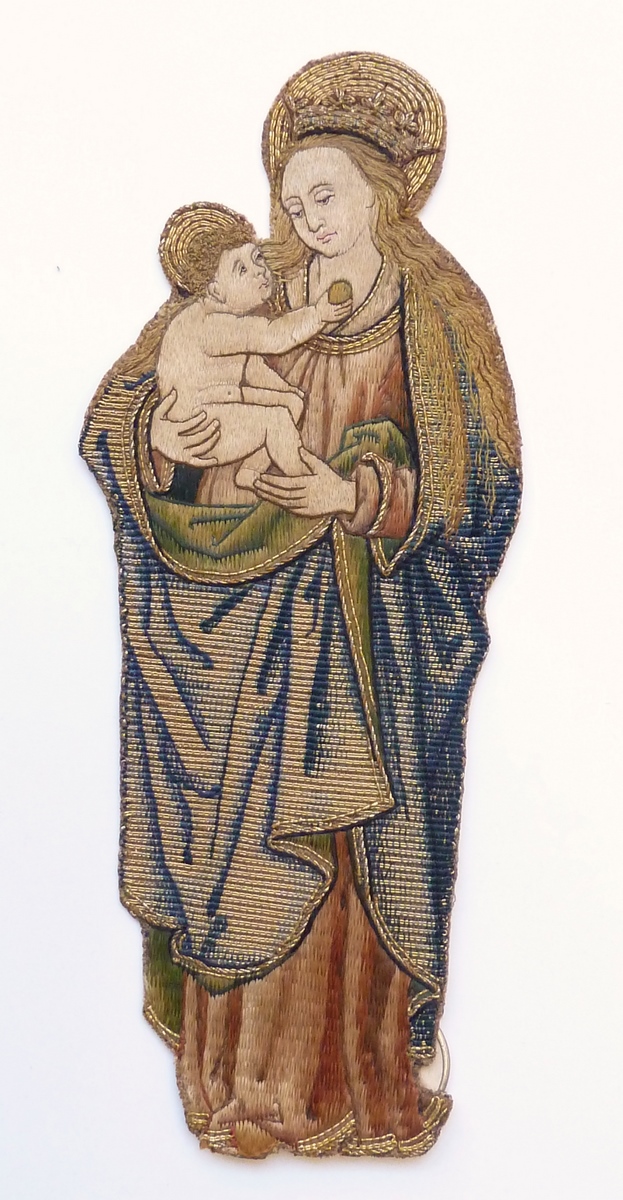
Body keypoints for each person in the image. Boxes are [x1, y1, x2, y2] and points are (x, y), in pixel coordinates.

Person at [80, 52, 521, 1160]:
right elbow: (118, 413)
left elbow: (484, 491)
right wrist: (163, 442)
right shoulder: (250, 289)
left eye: (323, 195)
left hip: (366, 650)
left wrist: (356, 495)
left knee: (346, 859)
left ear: (381, 194)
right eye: (290, 201)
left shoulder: (436, 315)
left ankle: (349, 1091)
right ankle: (244, 1094)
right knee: (252, 858)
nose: (303, 219)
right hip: (250, 648)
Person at [156, 203, 352, 489]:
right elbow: (274, 336)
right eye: (242, 270)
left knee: (292, 403)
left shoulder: (225, 319)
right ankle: (303, 480)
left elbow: (250, 367)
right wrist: (318, 315)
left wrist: (285, 391)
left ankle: (249, 472)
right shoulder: (209, 325)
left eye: (257, 258)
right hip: (199, 428)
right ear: (215, 290)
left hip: (221, 404)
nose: (259, 271)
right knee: (275, 420)